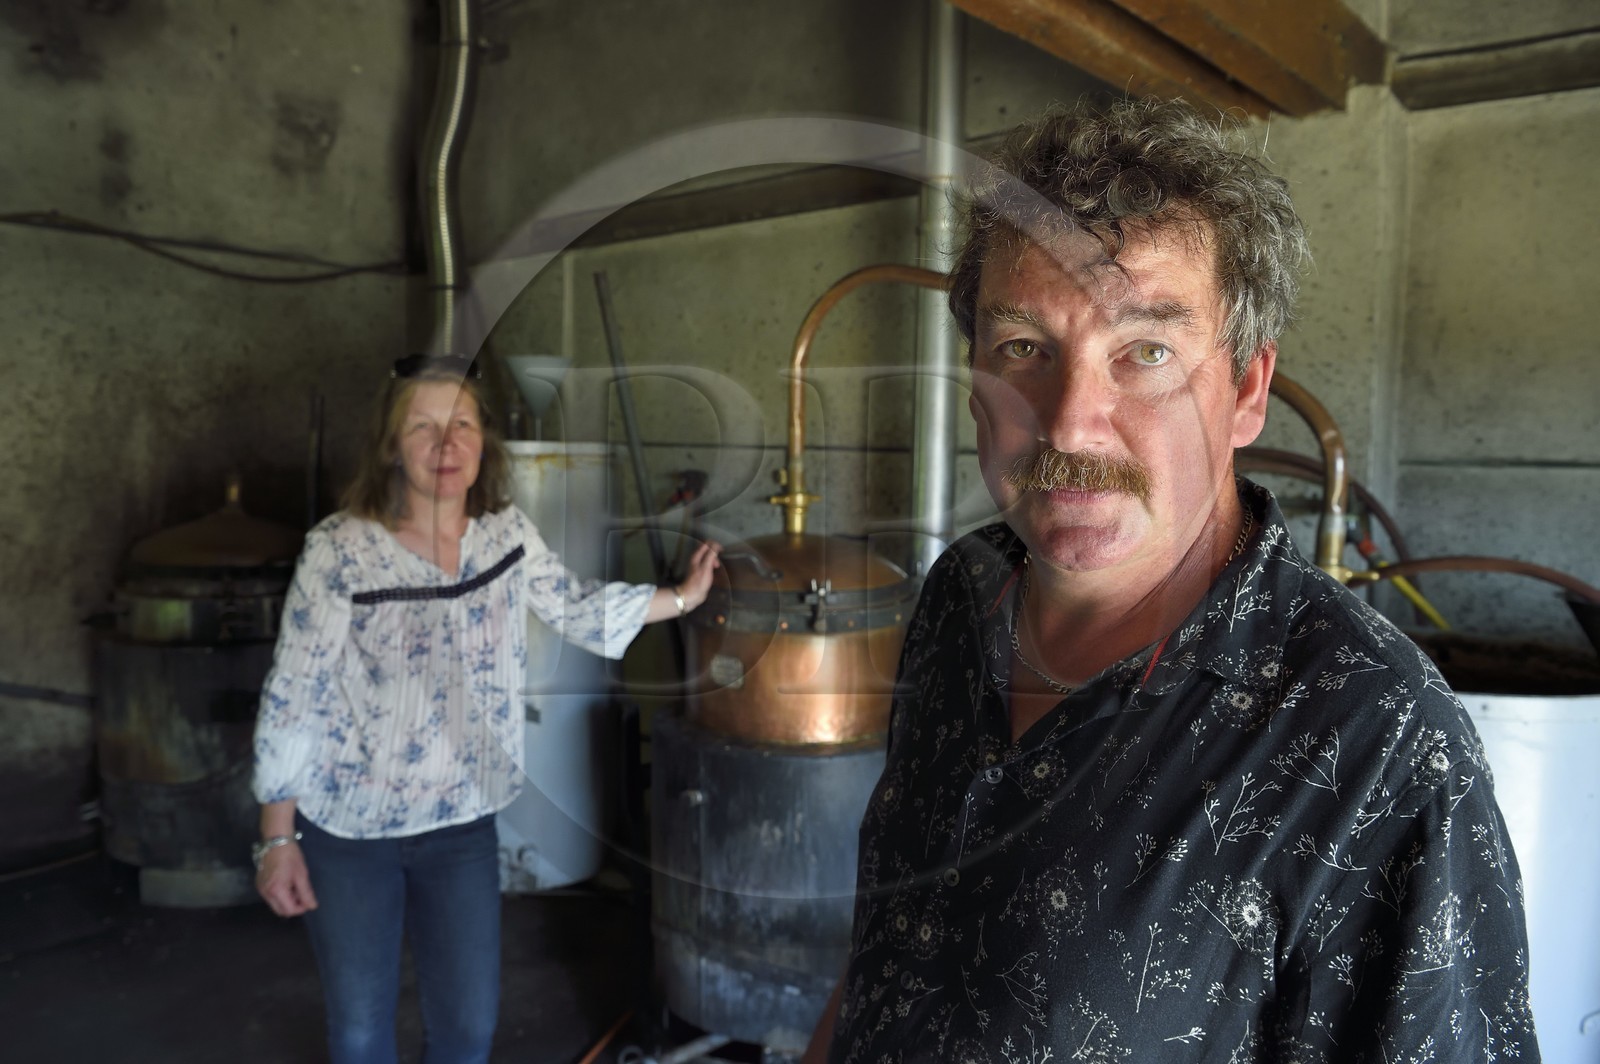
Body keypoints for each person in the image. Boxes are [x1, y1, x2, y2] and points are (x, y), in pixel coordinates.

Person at [804, 98, 1539, 1062]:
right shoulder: (959, 593)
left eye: (1145, 354)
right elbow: (888, 953)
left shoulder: (1381, 745)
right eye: (1023, 348)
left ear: (1245, 391)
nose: (1070, 425)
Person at [251, 354, 720, 1064]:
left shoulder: (504, 536)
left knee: (469, 1030)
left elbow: (579, 608)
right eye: (423, 428)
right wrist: (276, 838)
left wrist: (683, 596)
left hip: (461, 824)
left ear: (484, 442)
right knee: (358, 1031)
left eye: (462, 424)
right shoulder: (340, 550)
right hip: (349, 829)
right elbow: (295, 691)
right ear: (390, 446)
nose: (446, 445)